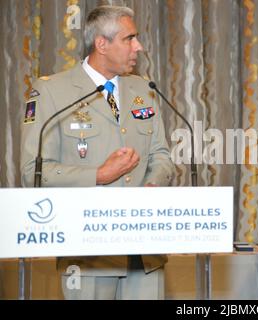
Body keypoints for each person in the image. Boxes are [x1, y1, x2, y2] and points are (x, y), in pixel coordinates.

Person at [20, 5, 175, 300]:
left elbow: (161, 155)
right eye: (129, 38)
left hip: (145, 254)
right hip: (88, 256)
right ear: (101, 44)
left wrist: (153, 184)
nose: (138, 47)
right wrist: (99, 175)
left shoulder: (144, 89)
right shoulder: (52, 91)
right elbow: (33, 172)